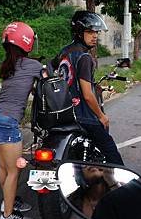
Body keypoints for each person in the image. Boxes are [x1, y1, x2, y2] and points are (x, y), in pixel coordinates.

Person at [0, 22, 42, 219]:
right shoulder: (34, 65)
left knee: (4, 167)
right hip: (7, 123)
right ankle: (8, 216)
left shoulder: (7, 65)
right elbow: (49, 83)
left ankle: (7, 203)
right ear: (26, 43)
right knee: (14, 171)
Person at [53, 11, 124, 165]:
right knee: (111, 152)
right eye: (90, 32)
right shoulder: (84, 57)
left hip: (64, 112)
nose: (95, 36)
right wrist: (101, 116)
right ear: (79, 33)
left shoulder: (63, 53)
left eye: (96, 32)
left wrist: (95, 85)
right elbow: (87, 95)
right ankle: (120, 186)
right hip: (83, 115)